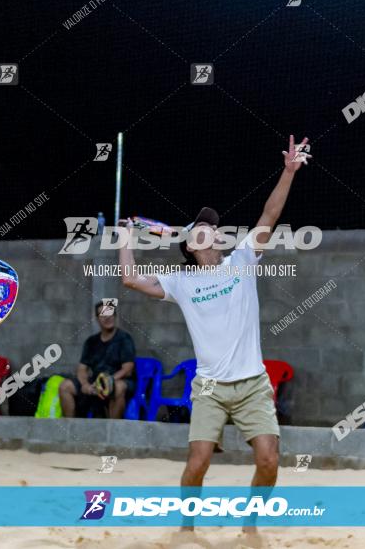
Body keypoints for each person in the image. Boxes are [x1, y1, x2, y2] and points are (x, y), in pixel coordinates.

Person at [119, 135, 309, 532]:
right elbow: (130, 279)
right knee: (198, 462)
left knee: (269, 460)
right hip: (208, 388)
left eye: (212, 226)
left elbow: (268, 217)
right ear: (191, 244)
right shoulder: (181, 281)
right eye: (202, 227)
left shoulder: (242, 260)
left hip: (253, 384)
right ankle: (187, 527)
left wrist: (288, 172)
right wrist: (124, 239)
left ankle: (250, 524)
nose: (211, 229)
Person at [59, 300, 136, 418]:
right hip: (95, 382)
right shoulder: (91, 342)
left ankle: (112, 430)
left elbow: (128, 369)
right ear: (97, 318)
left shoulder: (124, 339)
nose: (107, 318)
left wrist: (106, 382)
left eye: (109, 314)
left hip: (118, 380)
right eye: (102, 315)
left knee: (119, 387)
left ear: (114, 316)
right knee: (65, 386)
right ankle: (72, 431)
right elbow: (82, 368)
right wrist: (85, 384)